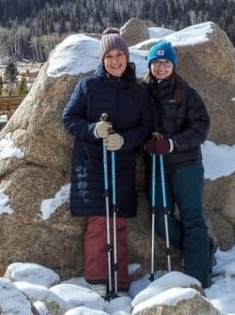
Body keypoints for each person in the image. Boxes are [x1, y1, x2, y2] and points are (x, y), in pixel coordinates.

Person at [62, 28, 152, 295]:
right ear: (101, 60)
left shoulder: (138, 91)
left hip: (121, 165)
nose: (115, 61)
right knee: (99, 224)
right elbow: (69, 119)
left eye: (119, 55)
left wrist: (124, 140)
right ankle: (97, 282)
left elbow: (146, 126)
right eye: (109, 56)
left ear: (127, 57)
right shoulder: (88, 86)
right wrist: (92, 130)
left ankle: (119, 281)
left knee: (118, 223)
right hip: (92, 165)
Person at [143, 39, 213, 287]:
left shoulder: (185, 92)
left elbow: (200, 127)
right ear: (150, 64)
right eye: (156, 62)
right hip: (156, 166)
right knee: (160, 221)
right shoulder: (141, 91)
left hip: (186, 164)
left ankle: (197, 281)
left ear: (173, 65)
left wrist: (172, 143)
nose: (161, 67)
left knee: (192, 217)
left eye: (165, 62)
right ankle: (203, 247)